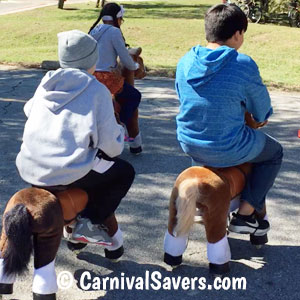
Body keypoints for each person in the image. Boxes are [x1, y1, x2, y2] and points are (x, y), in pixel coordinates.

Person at [16, 29, 135, 260]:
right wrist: (119, 131)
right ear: (93, 59)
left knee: (91, 167)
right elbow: (113, 147)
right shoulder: (97, 90)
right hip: (69, 168)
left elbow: (28, 109)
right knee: (123, 172)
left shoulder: (47, 82)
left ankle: (77, 228)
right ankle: (89, 221)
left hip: (31, 167)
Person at [175, 3, 283, 235]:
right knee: (274, 153)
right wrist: (260, 116)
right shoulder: (241, 63)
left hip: (190, 143)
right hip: (227, 145)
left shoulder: (185, 61)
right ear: (237, 34)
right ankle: (245, 215)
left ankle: (204, 200)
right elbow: (262, 111)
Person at [89, 2, 143, 154]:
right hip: (107, 77)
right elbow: (125, 58)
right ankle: (118, 126)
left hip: (92, 75)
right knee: (134, 96)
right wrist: (135, 67)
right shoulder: (114, 32)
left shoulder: (94, 30)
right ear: (118, 18)